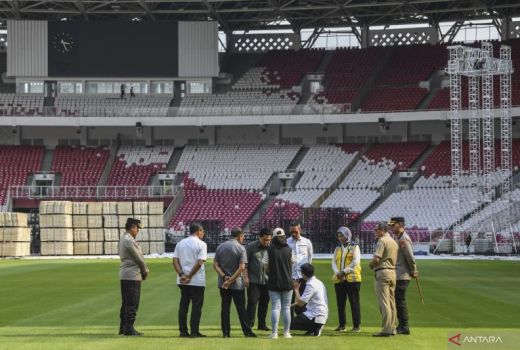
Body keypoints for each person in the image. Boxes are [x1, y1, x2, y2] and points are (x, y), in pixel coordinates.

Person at [213, 227, 256, 338]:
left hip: (223, 283)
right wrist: (231, 279)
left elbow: (215, 265)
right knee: (241, 309)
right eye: (243, 237)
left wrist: (224, 277)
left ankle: (226, 333)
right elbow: (242, 267)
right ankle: (247, 332)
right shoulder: (241, 249)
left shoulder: (220, 246)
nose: (243, 239)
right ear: (239, 236)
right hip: (237, 284)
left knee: (225, 308)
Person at [172, 222, 207, 338]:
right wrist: (190, 276)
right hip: (196, 280)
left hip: (182, 280)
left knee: (184, 305)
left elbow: (175, 261)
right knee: (196, 306)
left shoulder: (180, 243)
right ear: (198, 231)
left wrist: (182, 274)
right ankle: (194, 331)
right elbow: (200, 262)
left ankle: (183, 331)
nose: (203, 233)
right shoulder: (202, 244)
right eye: (202, 231)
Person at [119, 218, 149, 336]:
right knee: (132, 303)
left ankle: (124, 328)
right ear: (132, 227)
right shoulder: (128, 240)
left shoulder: (124, 238)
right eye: (137, 228)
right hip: (132, 274)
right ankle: (129, 329)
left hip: (127, 274)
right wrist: (145, 271)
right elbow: (138, 258)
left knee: (126, 303)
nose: (138, 231)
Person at [262, 228, 294, 339]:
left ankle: (274, 333)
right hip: (288, 282)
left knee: (275, 307)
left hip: (273, 282)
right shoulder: (289, 249)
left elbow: (265, 266)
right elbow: (292, 263)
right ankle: (286, 333)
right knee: (286, 308)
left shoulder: (269, 250)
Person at [389, 217, 418, 335]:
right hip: (399, 274)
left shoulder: (404, 239)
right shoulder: (399, 238)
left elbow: (410, 256)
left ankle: (404, 326)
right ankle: (401, 325)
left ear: (400, 225)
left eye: (393, 225)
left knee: (400, 301)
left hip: (403, 275)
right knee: (397, 300)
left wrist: (414, 270)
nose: (391, 227)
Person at [369, 221, 398, 337]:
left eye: (376, 229)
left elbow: (377, 259)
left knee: (384, 303)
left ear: (382, 230)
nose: (375, 231)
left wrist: (370, 265)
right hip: (392, 272)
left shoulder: (382, 241)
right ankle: (393, 327)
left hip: (382, 272)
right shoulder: (393, 241)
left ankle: (386, 329)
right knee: (391, 302)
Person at [331, 226, 362, 332]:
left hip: (352, 279)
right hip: (339, 279)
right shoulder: (338, 247)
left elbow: (355, 262)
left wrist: (344, 272)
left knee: (354, 302)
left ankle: (356, 326)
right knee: (340, 303)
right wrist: (337, 273)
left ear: (347, 235)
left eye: (342, 236)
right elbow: (334, 261)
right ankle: (342, 324)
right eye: (339, 236)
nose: (340, 238)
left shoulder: (354, 246)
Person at [246, 228, 272, 331]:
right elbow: (245, 263)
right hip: (253, 281)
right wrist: (245, 277)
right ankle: (249, 325)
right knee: (252, 302)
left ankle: (262, 324)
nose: (267, 242)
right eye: (265, 239)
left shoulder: (272, 248)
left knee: (264, 303)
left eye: (269, 239)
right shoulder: (250, 247)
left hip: (267, 280)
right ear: (259, 237)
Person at [291, 263, 328, 336]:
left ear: (304, 274)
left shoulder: (310, 285)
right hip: (321, 313)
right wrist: (289, 306)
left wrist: (296, 289)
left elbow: (301, 303)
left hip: (315, 315)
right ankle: (314, 328)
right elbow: (302, 301)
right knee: (299, 313)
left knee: (289, 324)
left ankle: (315, 328)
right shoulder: (319, 282)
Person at [287, 221, 313, 316]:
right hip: (290, 276)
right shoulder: (287, 242)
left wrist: (306, 272)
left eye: (295, 232)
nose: (293, 234)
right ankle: (289, 323)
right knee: (288, 300)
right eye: (292, 232)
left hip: (303, 277)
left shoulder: (307, 242)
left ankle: (302, 321)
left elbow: (310, 257)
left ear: (300, 230)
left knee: (302, 301)